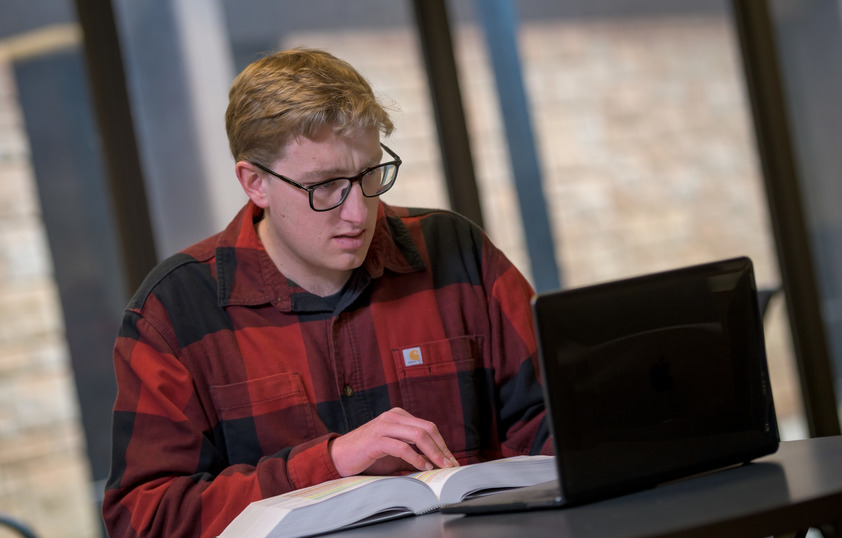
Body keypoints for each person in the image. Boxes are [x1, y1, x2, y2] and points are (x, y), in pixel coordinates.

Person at [102, 47, 551, 538]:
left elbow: (553, 425)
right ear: (255, 183)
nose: (358, 213)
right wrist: (331, 463)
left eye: (368, 175)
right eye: (325, 186)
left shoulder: (456, 252)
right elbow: (143, 519)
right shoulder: (174, 311)